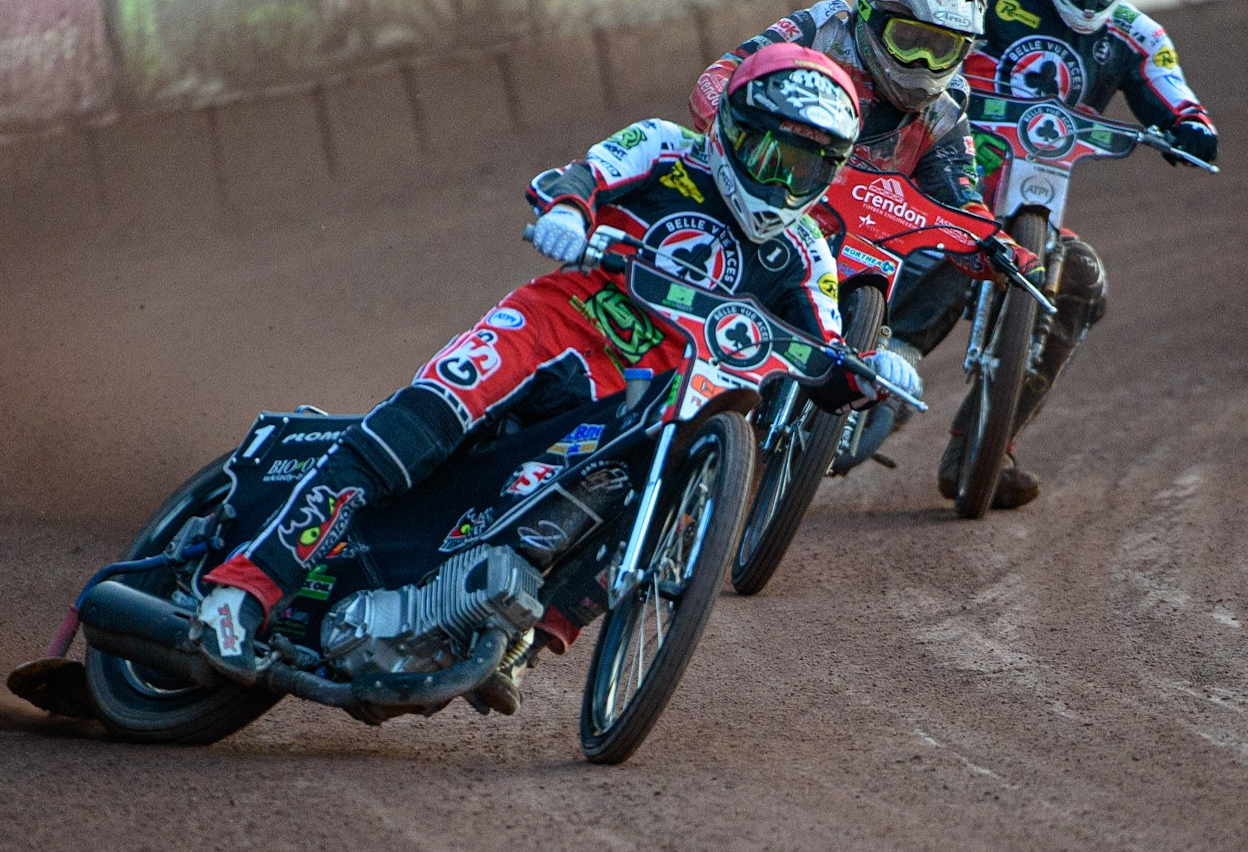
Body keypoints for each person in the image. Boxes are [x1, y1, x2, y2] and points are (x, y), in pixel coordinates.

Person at [191, 43, 919, 684]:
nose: (783, 182)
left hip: (638, 395)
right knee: (419, 426)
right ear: (732, 128)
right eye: (772, 155)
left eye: (808, 167)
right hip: (556, 325)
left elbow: (828, 359)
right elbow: (580, 177)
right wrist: (568, 213)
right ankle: (242, 590)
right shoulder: (665, 146)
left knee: (646, 491)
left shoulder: (806, 253)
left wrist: (872, 374)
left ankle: (526, 638)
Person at [689, 0, 1044, 470]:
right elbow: (718, 80)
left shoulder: (947, 112)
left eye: (942, 50)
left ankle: (878, 364)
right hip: (767, 188)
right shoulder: (821, 30)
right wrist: (740, 132)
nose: (923, 64)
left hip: (857, 233)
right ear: (872, 16)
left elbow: (963, 200)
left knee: (955, 251)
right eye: (910, 40)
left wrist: (1001, 249)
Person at [934, 0, 1219, 508]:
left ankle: (983, 444)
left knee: (1081, 283)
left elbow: (1173, 91)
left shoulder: (1138, 35)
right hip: (933, 177)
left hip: (1030, 199)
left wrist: (1192, 126)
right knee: (911, 252)